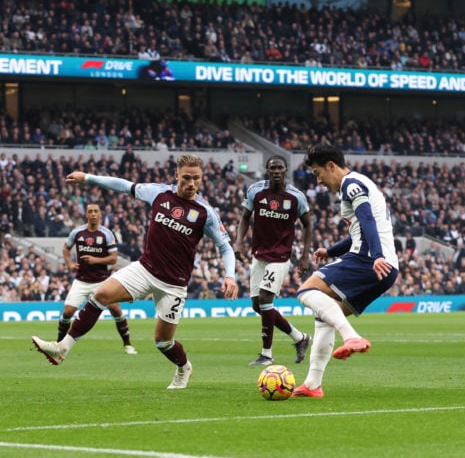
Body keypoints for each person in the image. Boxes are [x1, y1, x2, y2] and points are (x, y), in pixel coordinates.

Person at [31, 154, 239, 389]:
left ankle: (184, 367)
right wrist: (88, 178)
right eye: (187, 178)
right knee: (101, 295)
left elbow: (225, 247)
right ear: (176, 176)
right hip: (144, 269)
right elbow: (122, 185)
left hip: (174, 283)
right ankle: (62, 349)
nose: (192, 184)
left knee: (163, 342)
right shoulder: (159, 193)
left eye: (197, 179)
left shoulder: (205, 213)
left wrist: (229, 275)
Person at [290, 144, 399, 398]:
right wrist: (331, 252)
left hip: (368, 259)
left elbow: (368, 220)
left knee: (306, 291)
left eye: (318, 173)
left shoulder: (350, 184)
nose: (319, 180)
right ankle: (312, 384)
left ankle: (350, 337)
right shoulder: (360, 184)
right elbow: (360, 229)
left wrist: (377, 255)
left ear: (331, 166)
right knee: (324, 316)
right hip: (384, 267)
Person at [234, 155, 313, 366]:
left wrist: (305, 256)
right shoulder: (256, 191)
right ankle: (300, 337)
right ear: (267, 171)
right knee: (256, 305)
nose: (276, 171)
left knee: (266, 299)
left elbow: (308, 224)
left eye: (280, 168)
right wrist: (239, 242)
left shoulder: (296, 197)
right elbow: (244, 217)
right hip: (259, 255)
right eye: (272, 168)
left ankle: (267, 355)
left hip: (280, 256)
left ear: (286, 170)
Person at [57, 203, 137, 355]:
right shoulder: (77, 232)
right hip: (81, 281)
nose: (93, 214)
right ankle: (59, 344)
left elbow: (113, 259)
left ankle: (127, 344)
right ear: (86, 215)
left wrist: (95, 260)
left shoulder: (106, 234)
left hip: (102, 281)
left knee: (116, 310)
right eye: (90, 212)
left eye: (96, 211)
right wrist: (69, 264)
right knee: (67, 312)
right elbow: (66, 248)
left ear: (100, 215)